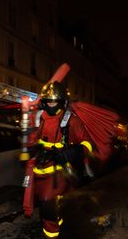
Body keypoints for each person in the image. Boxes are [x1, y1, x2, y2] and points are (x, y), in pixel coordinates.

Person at [25, 81, 95, 238]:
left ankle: (52, 234)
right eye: (48, 101)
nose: (51, 104)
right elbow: (32, 140)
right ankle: (59, 220)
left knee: (47, 206)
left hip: (60, 172)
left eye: (54, 101)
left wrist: (72, 152)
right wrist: (31, 147)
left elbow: (87, 144)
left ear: (62, 102)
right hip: (40, 171)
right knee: (52, 207)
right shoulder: (38, 119)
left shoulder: (71, 120)